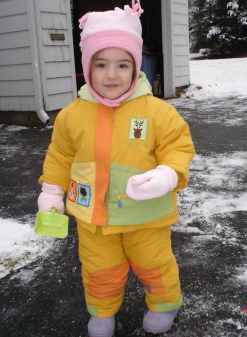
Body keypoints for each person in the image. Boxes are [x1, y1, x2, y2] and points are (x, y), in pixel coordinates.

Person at [37, 1, 195, 336]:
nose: (112, 74)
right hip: (93, 217)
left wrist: (167, 175)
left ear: (136, 67)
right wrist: (51, 190)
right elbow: (60, 155)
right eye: (102, 64)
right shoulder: (71, 114)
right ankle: (102, 312)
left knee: (154, 265)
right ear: (87, 67)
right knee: (99, 269)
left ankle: (165, 304)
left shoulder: (157, 112)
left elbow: (178, 147)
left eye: (122, 65)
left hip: (146, 216)